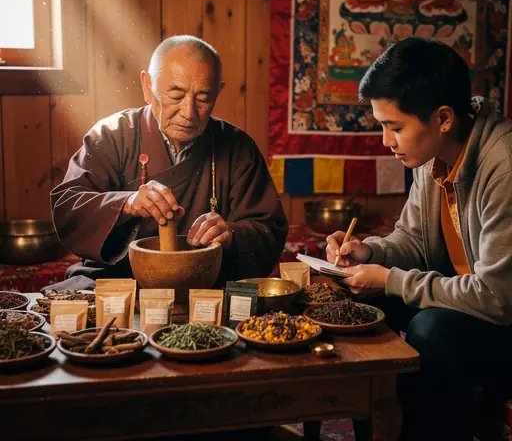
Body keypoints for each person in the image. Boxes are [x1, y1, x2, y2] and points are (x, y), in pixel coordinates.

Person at [326, 38, 512, 441]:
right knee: (357, 300)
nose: (385, 141)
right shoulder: (433, 155)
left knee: (431, 330)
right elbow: (413, 241)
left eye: (395, 127)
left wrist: (390, 279)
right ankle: (380, 422)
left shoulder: (504, 165)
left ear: (443, 117)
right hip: (468, 303)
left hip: (503, 320)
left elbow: (496, 298)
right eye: (382, 125)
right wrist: (369, 252)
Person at [50, 35, 288, 290]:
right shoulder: (111, 134)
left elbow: (268, 229)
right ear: (147, 86)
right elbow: (68, 207)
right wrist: (125, 204)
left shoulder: (239, 147)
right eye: (176, 96)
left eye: (203, 98)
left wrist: (231, 235)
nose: (189, 113)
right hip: (120, 279)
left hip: (206, 283)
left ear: (218, 90)